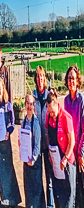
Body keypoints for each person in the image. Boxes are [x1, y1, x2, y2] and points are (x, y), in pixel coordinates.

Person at [0, 76, 21, 206]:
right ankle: (4, 197)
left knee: (8, 170)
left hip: (6, 142)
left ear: (4, 89)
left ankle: (13, 198)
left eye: (0, 88)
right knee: (0, 171)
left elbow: (12, 122)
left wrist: (9, 131)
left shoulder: (8, 105)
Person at [47, 87, 76, 208]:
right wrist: (50, 154)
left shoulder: (65, 117)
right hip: (56, 161)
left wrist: (65, 157)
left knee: (69, 196)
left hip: (67, 162)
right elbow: (48, 134)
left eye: (53, 112)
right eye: (49, 112)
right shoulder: (49, 117)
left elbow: (72, 141)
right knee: (58, 193)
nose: (52, 115)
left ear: (57, 105)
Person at [34, 65, 56, 208]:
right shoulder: (33, 97)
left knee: (49, 179)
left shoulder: (50, 96)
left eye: (42, 76)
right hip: (37, 143)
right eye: (38, 76)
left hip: (48, 144)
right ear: (36, 79)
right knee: (37, 177)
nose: (40, 79)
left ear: (45, 78)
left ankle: (50, 205)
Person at [63, 66, 84, 208]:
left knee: (82, 186)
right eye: (69, 78)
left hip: (80, 152)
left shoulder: (81, 99)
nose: (71, 81)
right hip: (70, 152)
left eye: (73, 78)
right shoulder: (65, 100)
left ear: (78, 81)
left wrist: (81, 153)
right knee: (73, 187)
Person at [20, 91, 43, 208]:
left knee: (36, 191)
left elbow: (38, 145)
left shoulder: (36, 124)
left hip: (34, 163)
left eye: (32, 104)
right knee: (28, 189)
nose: (29, 106)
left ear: (34, 106)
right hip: (26, 162)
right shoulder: (23, 122)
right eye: (27, 103)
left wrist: (32, 159)